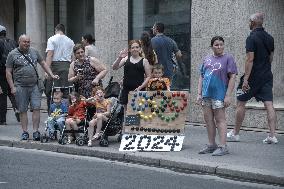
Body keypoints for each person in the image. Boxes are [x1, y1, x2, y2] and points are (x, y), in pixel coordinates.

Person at [227, 13, 278, 144]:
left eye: (249, 21)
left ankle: (235, 134)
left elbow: (250, 59)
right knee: (269, 104)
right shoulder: (270, 38)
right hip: (266, 75)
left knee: (240, 102)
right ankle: (272, 136)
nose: (248, 23)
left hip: (253, 77)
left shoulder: (251, 38)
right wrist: (264, 69)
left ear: (254, 23)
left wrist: (246, 79)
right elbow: (270, 58)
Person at [6, 34, 59, 140]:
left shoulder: (34, 51)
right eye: (24, 42)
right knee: (23, 110)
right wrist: (12, 87)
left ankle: (35, 131)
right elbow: (8, 71)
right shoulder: (12, 54)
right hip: (20, 86)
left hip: (34, 85)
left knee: (36, 108)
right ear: (19, 42)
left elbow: (43, 63)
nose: (27, 44)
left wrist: (51, 74)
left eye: (28, 42)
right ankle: (25, 132)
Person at [196, 36, 237, 156]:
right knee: (208, 120)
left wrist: (228, 95)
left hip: (219, 95)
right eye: (216, 45)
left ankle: (223, 146)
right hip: (206, 95)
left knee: (220, 120)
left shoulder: (228, 58)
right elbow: (201, 76)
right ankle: (211, 144)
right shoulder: (207, 59)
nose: (219, 47)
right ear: (211, 46)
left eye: (221, 44)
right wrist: (199, 93)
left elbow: (233, 77)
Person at [112, 40, 151, 108]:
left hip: (139, 90)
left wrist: (140, 87)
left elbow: (148, 76)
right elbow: (114, 67)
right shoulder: (126, 59)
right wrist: (120, 57)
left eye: (137, 47)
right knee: (126, 112)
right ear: (130, 49)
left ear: (140, 49)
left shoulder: (144, 61)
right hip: (126, 90)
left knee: (139, 111)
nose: (135, 49)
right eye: (132, 47)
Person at [45, 23, 75, 110]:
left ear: (56, 30)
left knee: (51, 91)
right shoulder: (70, 41)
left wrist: (47, 70)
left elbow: (50, 55)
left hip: (55, 68)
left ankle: (52, 113)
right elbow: (73, 58)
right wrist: (72, 71)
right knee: (67, 92)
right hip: (67, 67)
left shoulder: (52, 39)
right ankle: (67, 113)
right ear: (64, 31)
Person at [0, 25, 20, 124]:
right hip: (12, 71)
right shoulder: (12, 42)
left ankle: (2, 119)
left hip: (2, 72)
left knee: (2, 95)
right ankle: (17, 109)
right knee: (12, 92)